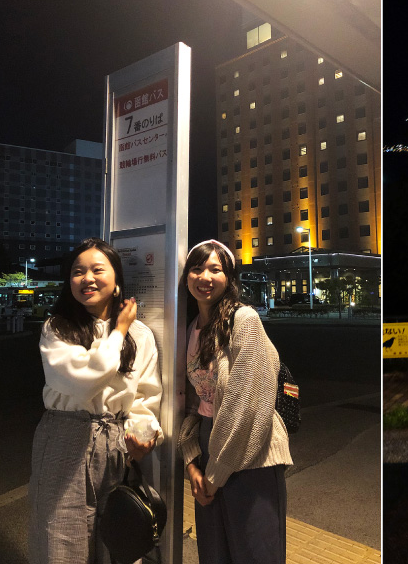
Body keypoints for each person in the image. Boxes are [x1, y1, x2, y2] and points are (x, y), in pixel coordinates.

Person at [29, 238, 162, 564]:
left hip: (115, 444)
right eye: (77, 272)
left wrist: (143, 436)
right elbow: (82, 381)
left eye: (97, 269)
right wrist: (118, 332)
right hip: (64, 438)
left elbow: (145, 397)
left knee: (118, 542)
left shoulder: (140, 335)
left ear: (116, 280)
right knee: (61, 541)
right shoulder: (58, 328)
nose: (87, 278)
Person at [176, 240, 291, 563]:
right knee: (215, 555)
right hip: (208, 451)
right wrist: (191, 462)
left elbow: (248, 405)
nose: (205, 277)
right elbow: (192, 404)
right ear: (186, 277)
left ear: (230, 279)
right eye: (197, 268)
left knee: (255, 555)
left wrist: (214, 475)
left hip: (250, 456)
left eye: (216, 269)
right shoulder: (191, 329)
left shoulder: (244, 321)